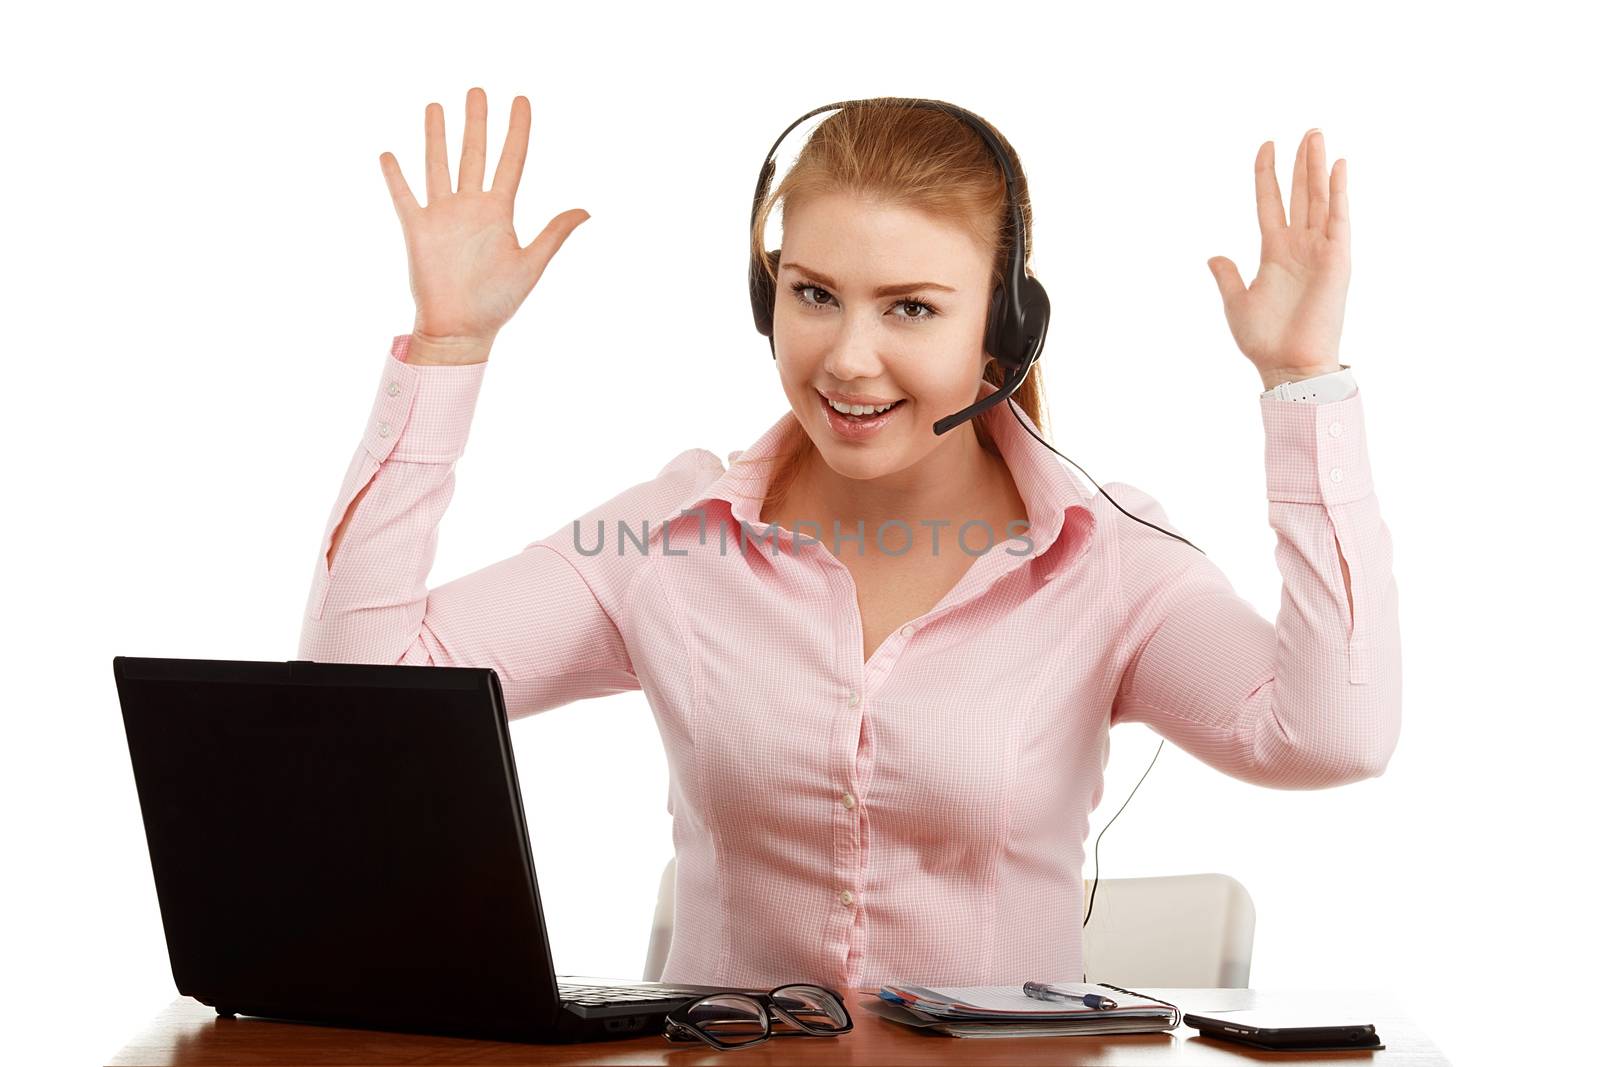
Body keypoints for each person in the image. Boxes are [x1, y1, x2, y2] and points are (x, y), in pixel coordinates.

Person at [298, 90, 1399, 991]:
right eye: (813, 294)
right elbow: (363, 686)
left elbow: (1331, 735)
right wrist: (446, 349)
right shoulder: (667, 542)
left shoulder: (1106, 558)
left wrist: (1303, 384)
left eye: (911, 307)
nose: (848, 359)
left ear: (1002, 332)